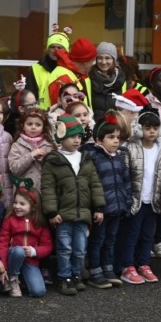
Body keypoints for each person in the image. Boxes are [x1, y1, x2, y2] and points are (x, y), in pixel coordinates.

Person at [41, 116, 105, 295]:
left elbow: (95, 184)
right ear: (61, 138)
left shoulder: (85, 159)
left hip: (83, 213)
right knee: (64, 248)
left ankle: (76, 275)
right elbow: (48, 189)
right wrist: (52, 212)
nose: (77, 140)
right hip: (63, 215)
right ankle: (64, 277)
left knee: (80, 249)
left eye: (79, 136)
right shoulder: (53, 161)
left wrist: (98, 208)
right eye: (72, 137)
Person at [120, 110, 161, 285]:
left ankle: (144, 264)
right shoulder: (130, 148)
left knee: (148, 235)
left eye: (155, 128)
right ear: (139, 129)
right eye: (148, 128)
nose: (152, 131)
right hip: (136, 200)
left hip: (153, 200)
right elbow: (125, 176)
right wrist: (126, 199)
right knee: (132, 234)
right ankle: (127, 265)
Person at [87, 113, 131, 288]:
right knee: (98, 240)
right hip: (102, 211)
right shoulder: (94, 157)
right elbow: (92, 185)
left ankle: (108, 267)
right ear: (99, 140)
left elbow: (126, 182)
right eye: (110, 137)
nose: (115, 141)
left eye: (117, 138)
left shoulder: (119, 158)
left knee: (111, 240)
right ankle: (95, 270)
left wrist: (126, 204)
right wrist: (97, 207)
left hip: (117, 209)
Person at [7, 109, 52, 192]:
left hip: (45, 190)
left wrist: (44, 160)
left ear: (43, 128)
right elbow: (14, 169)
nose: (33, 127)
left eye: (38, 125)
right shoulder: (16, 146)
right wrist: (31, 156)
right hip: (24, 191)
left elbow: (53, 169)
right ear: (23, 126)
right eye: (29, 124)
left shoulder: (48, 145)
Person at [28, 25, 71, 106]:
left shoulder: (71, 70)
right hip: (42, 114)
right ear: (47, 50)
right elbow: (30, 97)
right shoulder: (36, 69)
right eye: (52, 47)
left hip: (66, 115)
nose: (55, 51)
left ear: (66, 51)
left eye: (60, 47)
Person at [89, 41, 127, 115]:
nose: (103, 62)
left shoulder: (123, 81)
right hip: (95, 125)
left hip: (116, 126)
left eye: (107, 58)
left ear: (114, 60)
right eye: (100, 58)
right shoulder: (89, 80)